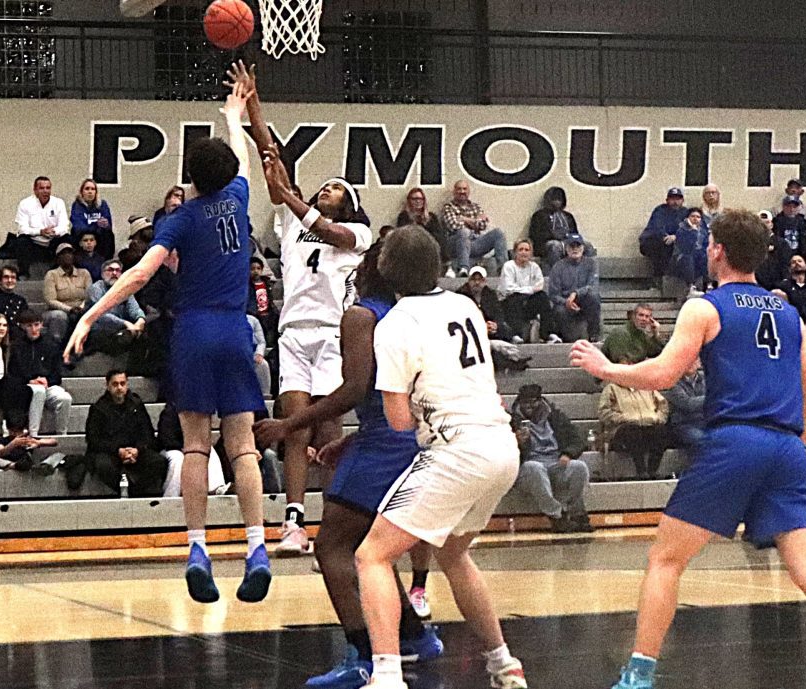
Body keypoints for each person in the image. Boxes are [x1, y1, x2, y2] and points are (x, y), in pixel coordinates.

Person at [569, 208, 806, 689]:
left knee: (666, 560)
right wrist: (779, 452)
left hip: (736, 439)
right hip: (786, 447)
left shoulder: (706, 307)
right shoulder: (791, 314)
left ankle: (637, 677)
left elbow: (663, 375)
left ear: (716, 249)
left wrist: (605, 368)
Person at [65, 69, 272, 605]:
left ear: (192, 177)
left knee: (198, 446)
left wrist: (90, 316)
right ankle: (256, 548)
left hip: (193, 331)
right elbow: (242, 157)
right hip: (234, 327)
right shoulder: (240, 197)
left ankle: (199, 549)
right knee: (244, 448)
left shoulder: (179, 220)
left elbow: (137, 276)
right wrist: (235, 113)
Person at [253, 242, 445, 689]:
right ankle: (416, 635)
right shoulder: (410, 312)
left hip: (383, 442)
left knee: (332, 549)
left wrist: (289, 425)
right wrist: (352, 438)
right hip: (408, 434)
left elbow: (355, 389)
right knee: (369, 547)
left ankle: (362, 655)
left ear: (374, 267)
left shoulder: (361, 315)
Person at [352, 226, 527, 689]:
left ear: (385, 269)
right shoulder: (463, 304)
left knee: (371, 554)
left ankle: (387, 675)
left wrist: (414, 410)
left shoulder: (393, 324)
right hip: (501, 444)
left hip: (457, 448)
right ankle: (504, 663)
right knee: (453, 552)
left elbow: (397, 420)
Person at [236, 61, 372, 556]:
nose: (325, 189)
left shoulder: (357, 234)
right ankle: (293, 524)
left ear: (349, 202)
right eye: (323, 186)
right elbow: (270, 153)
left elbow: (328, 230)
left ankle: (338, 529)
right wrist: (252, 102)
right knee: (294, 424)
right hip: (293, 331)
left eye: (335, 187)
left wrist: (295, 201)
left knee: (331, 428)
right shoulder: (292, 222)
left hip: (335, 334)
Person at [511, 383, 592, 533]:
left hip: (556, 462)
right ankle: (556, 515)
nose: (529, 406)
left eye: (533, 402)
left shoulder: (556, 417)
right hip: (526, 467)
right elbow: (500, 451)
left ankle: (576, 513)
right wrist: (515, 442)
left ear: (540, 401)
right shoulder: (510, 422)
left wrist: (568, 453)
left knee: (579, 467)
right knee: (535, 467)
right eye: (525, 402)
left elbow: (578, 438)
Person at [83, 369, 168, 497]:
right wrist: (118, 451)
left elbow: (147, 433)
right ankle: (123, 490)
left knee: (158, 462)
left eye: (122, 383)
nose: (119, 388)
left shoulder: (137, 405)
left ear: (127, 384)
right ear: (108, 386)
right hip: (110, 452)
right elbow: (93, 440)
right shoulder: (98, 408)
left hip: (135, 451)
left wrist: (137, 450)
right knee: (102, 465)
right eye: (115, 384)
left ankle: (135, 491)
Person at [10, 310, 72, 436]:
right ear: (22, 327)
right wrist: (30, 380)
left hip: (47, 385)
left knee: (65, 398)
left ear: (41, 325)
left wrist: (47, 381)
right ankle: (34, 434)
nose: (33, 329)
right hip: (26, 387)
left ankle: (62, 435)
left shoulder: (50, 344)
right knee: (38, 391)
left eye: (36, 324)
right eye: (29, 325)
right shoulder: (17, 346)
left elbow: (57, 373)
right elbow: (14, 372)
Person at [598, 374, 669, 480]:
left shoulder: (647, 387)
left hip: (648, 425)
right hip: (622, 428)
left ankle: (653, 470)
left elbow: (663, 405)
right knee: (632, 431)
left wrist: (658, 418)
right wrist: (623, 418)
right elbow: (603, 412)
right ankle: (641, 470)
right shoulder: (611, 388)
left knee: (661, 430)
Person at [442, 179, 509, 277]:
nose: (462, 192)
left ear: (468, 191)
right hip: (456, 244)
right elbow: (453, 225)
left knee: (498, 233)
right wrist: (474, 221)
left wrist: (463, 219)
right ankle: (464, 268)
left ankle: (504, 270)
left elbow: (482, 225)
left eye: (464, 189)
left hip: (475, 243)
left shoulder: (475, 207)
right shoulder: (448, 207)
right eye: (459, 189)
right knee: (463, 232)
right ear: (454, 191)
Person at [499, 238, 560, 344]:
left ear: (531, 253)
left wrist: (526, 291)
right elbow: (509, 289)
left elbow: (540, 286)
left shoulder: (534, 267)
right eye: (520, 249)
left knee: (542, 296)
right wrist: (530, 289)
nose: (524, 252)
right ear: (515, 252)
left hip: (527, 304)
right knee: (515, 298)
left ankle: (548, 334)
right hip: (508, 303)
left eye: (527, 250)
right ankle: (515, 335)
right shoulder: (509, 266)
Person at [84, 258, 146, 356]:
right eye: (110, 270)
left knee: (144, 335)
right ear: (102, 274)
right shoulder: (96, 288)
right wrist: (126, 323)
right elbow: (100, 314)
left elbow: (134, 308)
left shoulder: (125, 288)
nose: (114, 273)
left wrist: (140, 320)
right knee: (120, 336)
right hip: (98, 328)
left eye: (117, 270)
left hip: (120, 328)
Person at [548, 234, 601, 342]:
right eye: (572, 246)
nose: (575, 249)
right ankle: (564, 338)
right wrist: (566, 302)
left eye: (578, 246)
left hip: (584, 300)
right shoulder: (558, 267)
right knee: (559, 311)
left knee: (594, 297)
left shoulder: (591, 264)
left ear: (583, 248)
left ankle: (594, 336)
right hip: (564, 303)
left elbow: (592, 286)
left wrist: (576, 293)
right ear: (567, 248)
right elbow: (553, 294)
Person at [14, 176, 70, 278]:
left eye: (48, 188)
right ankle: (24, 273)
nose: (45, 191)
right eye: (42, 188)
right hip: (34, 243)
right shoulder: (25, 204)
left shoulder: (58, 203)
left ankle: (57, 273)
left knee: (67, 238)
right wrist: (40, 231)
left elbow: (64, 226)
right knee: (21, 240)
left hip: (53, 242)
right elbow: (22, 228)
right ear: (35, 190)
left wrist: (54, 231)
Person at [529, 186, 595, 270]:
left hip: (568, 242)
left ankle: (588, 275)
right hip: (548, 244)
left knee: (588, 245)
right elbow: (535, 236)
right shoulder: (539, 215)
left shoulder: (568, 216)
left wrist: (571, 241)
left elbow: (575, 234)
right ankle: (558, 274)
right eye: (554, 199)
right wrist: (555, 236)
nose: (557, 202)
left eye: (559, 199)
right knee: (554, 246)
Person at [42, 244, 93, 347]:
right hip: (59, 311)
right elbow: (50, 300)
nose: (67, 256)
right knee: (59, 316)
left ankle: (84, 347)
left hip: (81, 309)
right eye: (63, 253)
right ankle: (57, 348)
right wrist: (69, 309)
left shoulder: (84, 273)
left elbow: (90, 295)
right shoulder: (51, 275)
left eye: (70, 253)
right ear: (58, 258)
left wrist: (80, 308)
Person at [639, 187, 688, 289]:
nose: (675, 202)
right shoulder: (660, 210)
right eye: (672, 199)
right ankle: (658, 279)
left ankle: (663, 280)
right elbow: (657, 228)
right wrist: (668, 237)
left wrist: (676, 237)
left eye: (678, 199)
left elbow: (689, 229)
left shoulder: (686, 213)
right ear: (667, 200)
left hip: (673, 244)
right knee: (662, 245)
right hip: (652, 243)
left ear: (682, 200)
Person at [396, 187, 448, 273]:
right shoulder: (404, 216)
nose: (418, 201)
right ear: (409, 201)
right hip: (412, 246)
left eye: (421, 199)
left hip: (430, 246)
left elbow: (438, 234)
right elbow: (402, 233)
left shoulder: (431, 217)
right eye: (415, 199)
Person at [69, 178, 115, 259]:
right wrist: (96, 224)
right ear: (82, 192)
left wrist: (105, 224)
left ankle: (107, 260)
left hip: (100, 239)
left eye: (93, 189)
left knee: (109, 234)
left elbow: (109, 224)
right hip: (82, 238)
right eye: (87, 189)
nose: (90, 192)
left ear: (96, 192)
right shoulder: (77, 205)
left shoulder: (102, 204)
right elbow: (79, 227)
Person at [668, 207, 708, 292]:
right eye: (692, 216)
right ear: (687, 218)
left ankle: (708, 285)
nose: (695, 219)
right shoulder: (681, 230)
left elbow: (705, 246)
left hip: (698, 258)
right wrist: (693, 231)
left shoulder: (703, 232)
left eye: (698, 217)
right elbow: (687, 247)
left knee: (706, 257)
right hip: (681, 258)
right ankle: (690, 286)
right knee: (688, 258)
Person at [0, 265, 28, 341]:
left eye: (13, 277)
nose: (10, 280)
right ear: (0, 280)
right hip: (1, 335)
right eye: (6, 277)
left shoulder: (21, 300)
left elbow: (25, 319)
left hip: (19, 336)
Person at [247, 256, 278, 347]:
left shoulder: (266, 283)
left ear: (262, 270)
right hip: (255, 314)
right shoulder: (247, 285)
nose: (255, 271)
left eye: (258, 268)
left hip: (267, 313)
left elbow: (269, 298)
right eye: (252, 269)